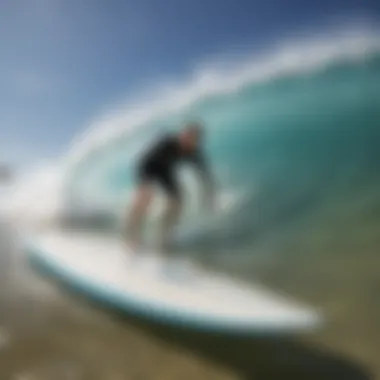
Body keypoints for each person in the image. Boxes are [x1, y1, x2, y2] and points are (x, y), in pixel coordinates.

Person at [125, 121, 215, 253]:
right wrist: (145, 184)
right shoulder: (167, 142)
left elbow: (204, 176)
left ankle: (163, 237)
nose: (186, 140)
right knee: (146, 196)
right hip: (148, 166)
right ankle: (132, 235)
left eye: (192, 139)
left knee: (178, 202)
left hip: (165, 171)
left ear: (196, 141)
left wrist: (209, 193)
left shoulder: (193, 153)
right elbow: (147, 159)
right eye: (185, 135)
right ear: (183, 135)